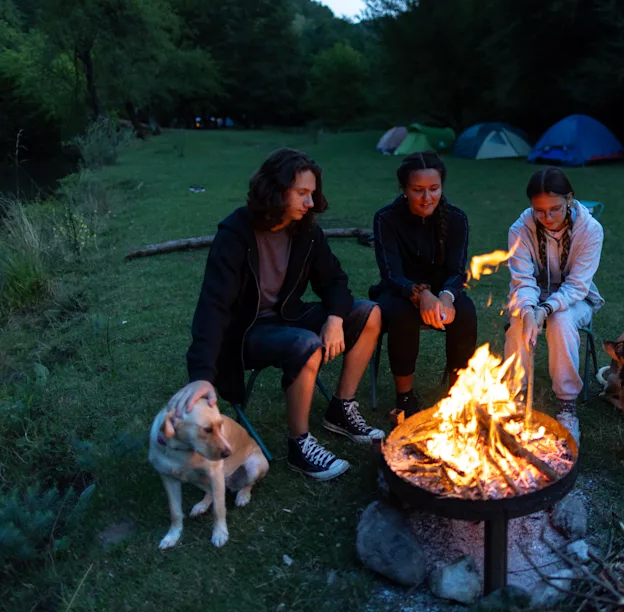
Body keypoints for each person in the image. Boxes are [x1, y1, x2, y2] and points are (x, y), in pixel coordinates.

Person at [167, 148, 384, 482]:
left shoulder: (306, 231)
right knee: (307, 344)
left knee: (368, 313)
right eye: (302, 194)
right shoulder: (236, 235)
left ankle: (341, 407)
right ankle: (300, 445)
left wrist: (336, 318)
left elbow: (335, 281)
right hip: (246, 333)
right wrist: (201, 373)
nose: (310, 203)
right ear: (275, 189)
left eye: (312, 194)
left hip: (288, 315)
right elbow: (213, 307)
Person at [371, 151, 477, 417]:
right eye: (417, 190)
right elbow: (391, 273)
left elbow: (457, 271)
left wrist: (446, 297)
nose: (427, 197)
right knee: (403, 314)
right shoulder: (386, 218)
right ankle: (405, 396)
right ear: (404, 189)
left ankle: (458, 393)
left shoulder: (457, 218)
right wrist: (420, 294)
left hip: (444, 291)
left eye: (434, 189)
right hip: (398, 291)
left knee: (466, 312)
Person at [504, 167, 604, 444]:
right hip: (533, 297)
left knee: (560, 322)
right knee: (517, 325)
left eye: (555, 209)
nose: (547, 217)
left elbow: (578, 285)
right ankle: (515, 397)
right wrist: (528, 310)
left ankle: (567, 404)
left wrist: (546, 310)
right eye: (539, 211)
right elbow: (522, 280)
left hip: (575, 299)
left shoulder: (590, 230)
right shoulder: (520, 229)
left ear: (570, 199)